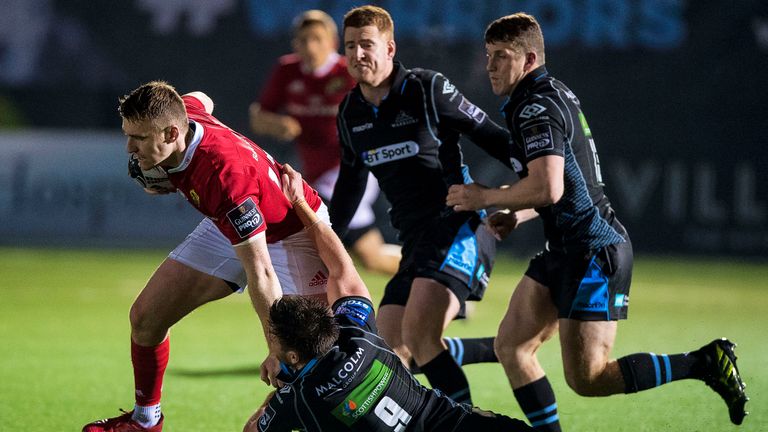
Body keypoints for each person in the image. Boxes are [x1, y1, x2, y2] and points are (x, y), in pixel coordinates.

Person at [446, 13, 749, 430]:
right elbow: (569, 186)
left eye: (501, 56)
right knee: (511, 346)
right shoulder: (548, 94)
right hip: (564, 250)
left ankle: (702, 363)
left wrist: (485, 196)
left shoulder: (535, 106)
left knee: (588, 378)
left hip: (594, 253)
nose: (491, 66)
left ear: (529, 58)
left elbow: (549, 188)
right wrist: (518, 211)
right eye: (488, 56)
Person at [83, 81, 330, 432]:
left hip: (291, 233)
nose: (129, 147)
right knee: (146, 317)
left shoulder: (225, 178)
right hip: (228, 223)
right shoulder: (185, 115)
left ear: (171, 133)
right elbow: (203, 98)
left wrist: (275, 346)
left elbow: (260, 270)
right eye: (128, 135)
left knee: (303, 365)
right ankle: (145, 421)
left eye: (138, 138)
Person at [242, 164, 533, 432]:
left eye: (274, 337)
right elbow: (341, 268)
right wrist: (300, 203)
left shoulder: (299, 402)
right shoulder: (357, 333)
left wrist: (274, 400)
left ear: (293, 356)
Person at [331, 5, 512, 405]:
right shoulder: (350, 112)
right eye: (349, 46)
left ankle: (465, 424)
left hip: (458, 228)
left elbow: (493, 137)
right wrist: (324, 241)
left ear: (390, 47)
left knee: (421, 337)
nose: (358, 54)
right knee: (389, 357)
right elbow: (349, 186)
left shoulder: (427, 88)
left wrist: (538, 181)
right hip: (414, 241)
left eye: (367, 44)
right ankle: (495, 350)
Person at [249, 9, 401, 275]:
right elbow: (259, 117)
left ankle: (311, 305)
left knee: (309, 231)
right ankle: (432, 273)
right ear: (295, 44)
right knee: (371, 256)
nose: (310, 46)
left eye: (317, 39)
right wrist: (278, 125)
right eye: (303, 40)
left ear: (332, 42)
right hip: (315, 173)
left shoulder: (349, 72)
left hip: (351, 169)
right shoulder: (288, 70)